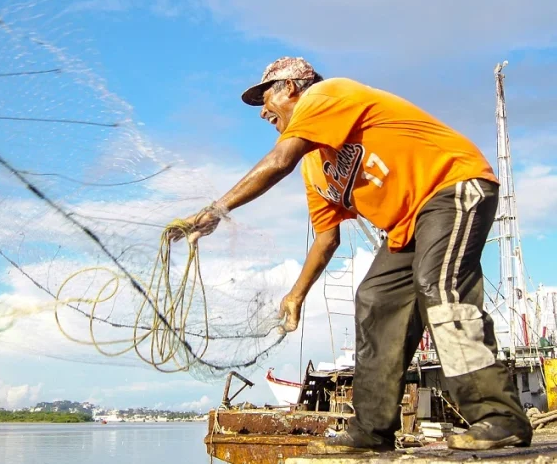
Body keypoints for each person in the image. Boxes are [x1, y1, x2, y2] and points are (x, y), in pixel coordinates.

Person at [174, 57, 531, 452]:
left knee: (439, 285)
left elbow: (278, 162)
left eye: (266, 96)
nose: (262, 111)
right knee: (375, 300)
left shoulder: (326, 94)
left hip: (452, 185)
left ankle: (499, 417)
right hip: (406, 227)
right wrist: (296, 295)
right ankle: (371, 432)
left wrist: (215, 211)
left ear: (291, 88)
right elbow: (327, 239)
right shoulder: (315, 166)